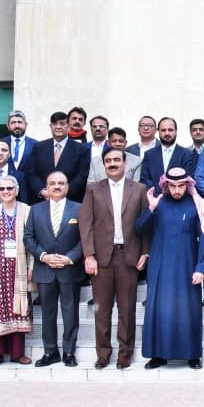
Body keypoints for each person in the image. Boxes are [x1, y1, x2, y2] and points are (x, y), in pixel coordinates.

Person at [79, 148, 150, 369]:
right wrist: (89, 255)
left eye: (116, 160)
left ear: (125, 163)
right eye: (108, 160)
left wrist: (145, 252)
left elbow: (146, 223)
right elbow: (85, 224)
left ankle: (125, 353)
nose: (112, 164)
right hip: (101, 258)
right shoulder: (93, 190)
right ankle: (103, 353)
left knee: (127, 309)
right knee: (102, 309)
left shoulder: (138, 189)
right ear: (103, 165)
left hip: (128, 256)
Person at [136, 167, 204, 369]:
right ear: (166, 185)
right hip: (160, 267)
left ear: (187, 185)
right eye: (173, 186)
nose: (177, 190)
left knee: (188, 310)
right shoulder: (158, 204)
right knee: (160, 310)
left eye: (181, 186)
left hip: (187, 266)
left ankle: (192, 355)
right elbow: (139, 228)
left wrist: (201, 268)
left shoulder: (196, 205)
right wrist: (150, 209)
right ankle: (158, 355)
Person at [23, 171, 84, 368]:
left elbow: (85, 238)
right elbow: (28, 238)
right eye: (52, 183)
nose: (57, 186)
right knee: (47, 313)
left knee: (70, 313)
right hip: (45, 269)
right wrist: (43, 256)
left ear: (67, 186)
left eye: (61, 183)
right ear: (46, 187)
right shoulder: (35, 209)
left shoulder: (79, 208)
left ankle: (69, 352)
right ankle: (50, 352)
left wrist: (69, 258)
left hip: (69, 269)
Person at [0, 174, 33, 367]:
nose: (6, 191)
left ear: (17, 190)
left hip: (19, 269)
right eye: (2, 188)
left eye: (10, 188)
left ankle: (18, 354)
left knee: (19, 310)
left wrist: (31, 266)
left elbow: (33, 240)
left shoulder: (27, 210)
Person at [25, 111, 90, 203]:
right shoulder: (39, 147)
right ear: (50, 127)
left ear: (68, 126)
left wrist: (63, 192)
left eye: (62, 124)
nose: (58, 127)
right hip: (43, 200)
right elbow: (31, 173)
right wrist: (43, 191)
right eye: (55, 124)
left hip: (70, 200)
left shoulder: (81, 149)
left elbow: (82, 175)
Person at [142, 117, 195, 192]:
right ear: (158, 132)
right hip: (153, 197)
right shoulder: (149, 154)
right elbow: (145, 179)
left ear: (176, 131)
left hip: (178, 197)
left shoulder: (187, 154)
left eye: (170, 130)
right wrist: (156, 195)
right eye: (163, 130)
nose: (167, 133)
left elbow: (188, 180)